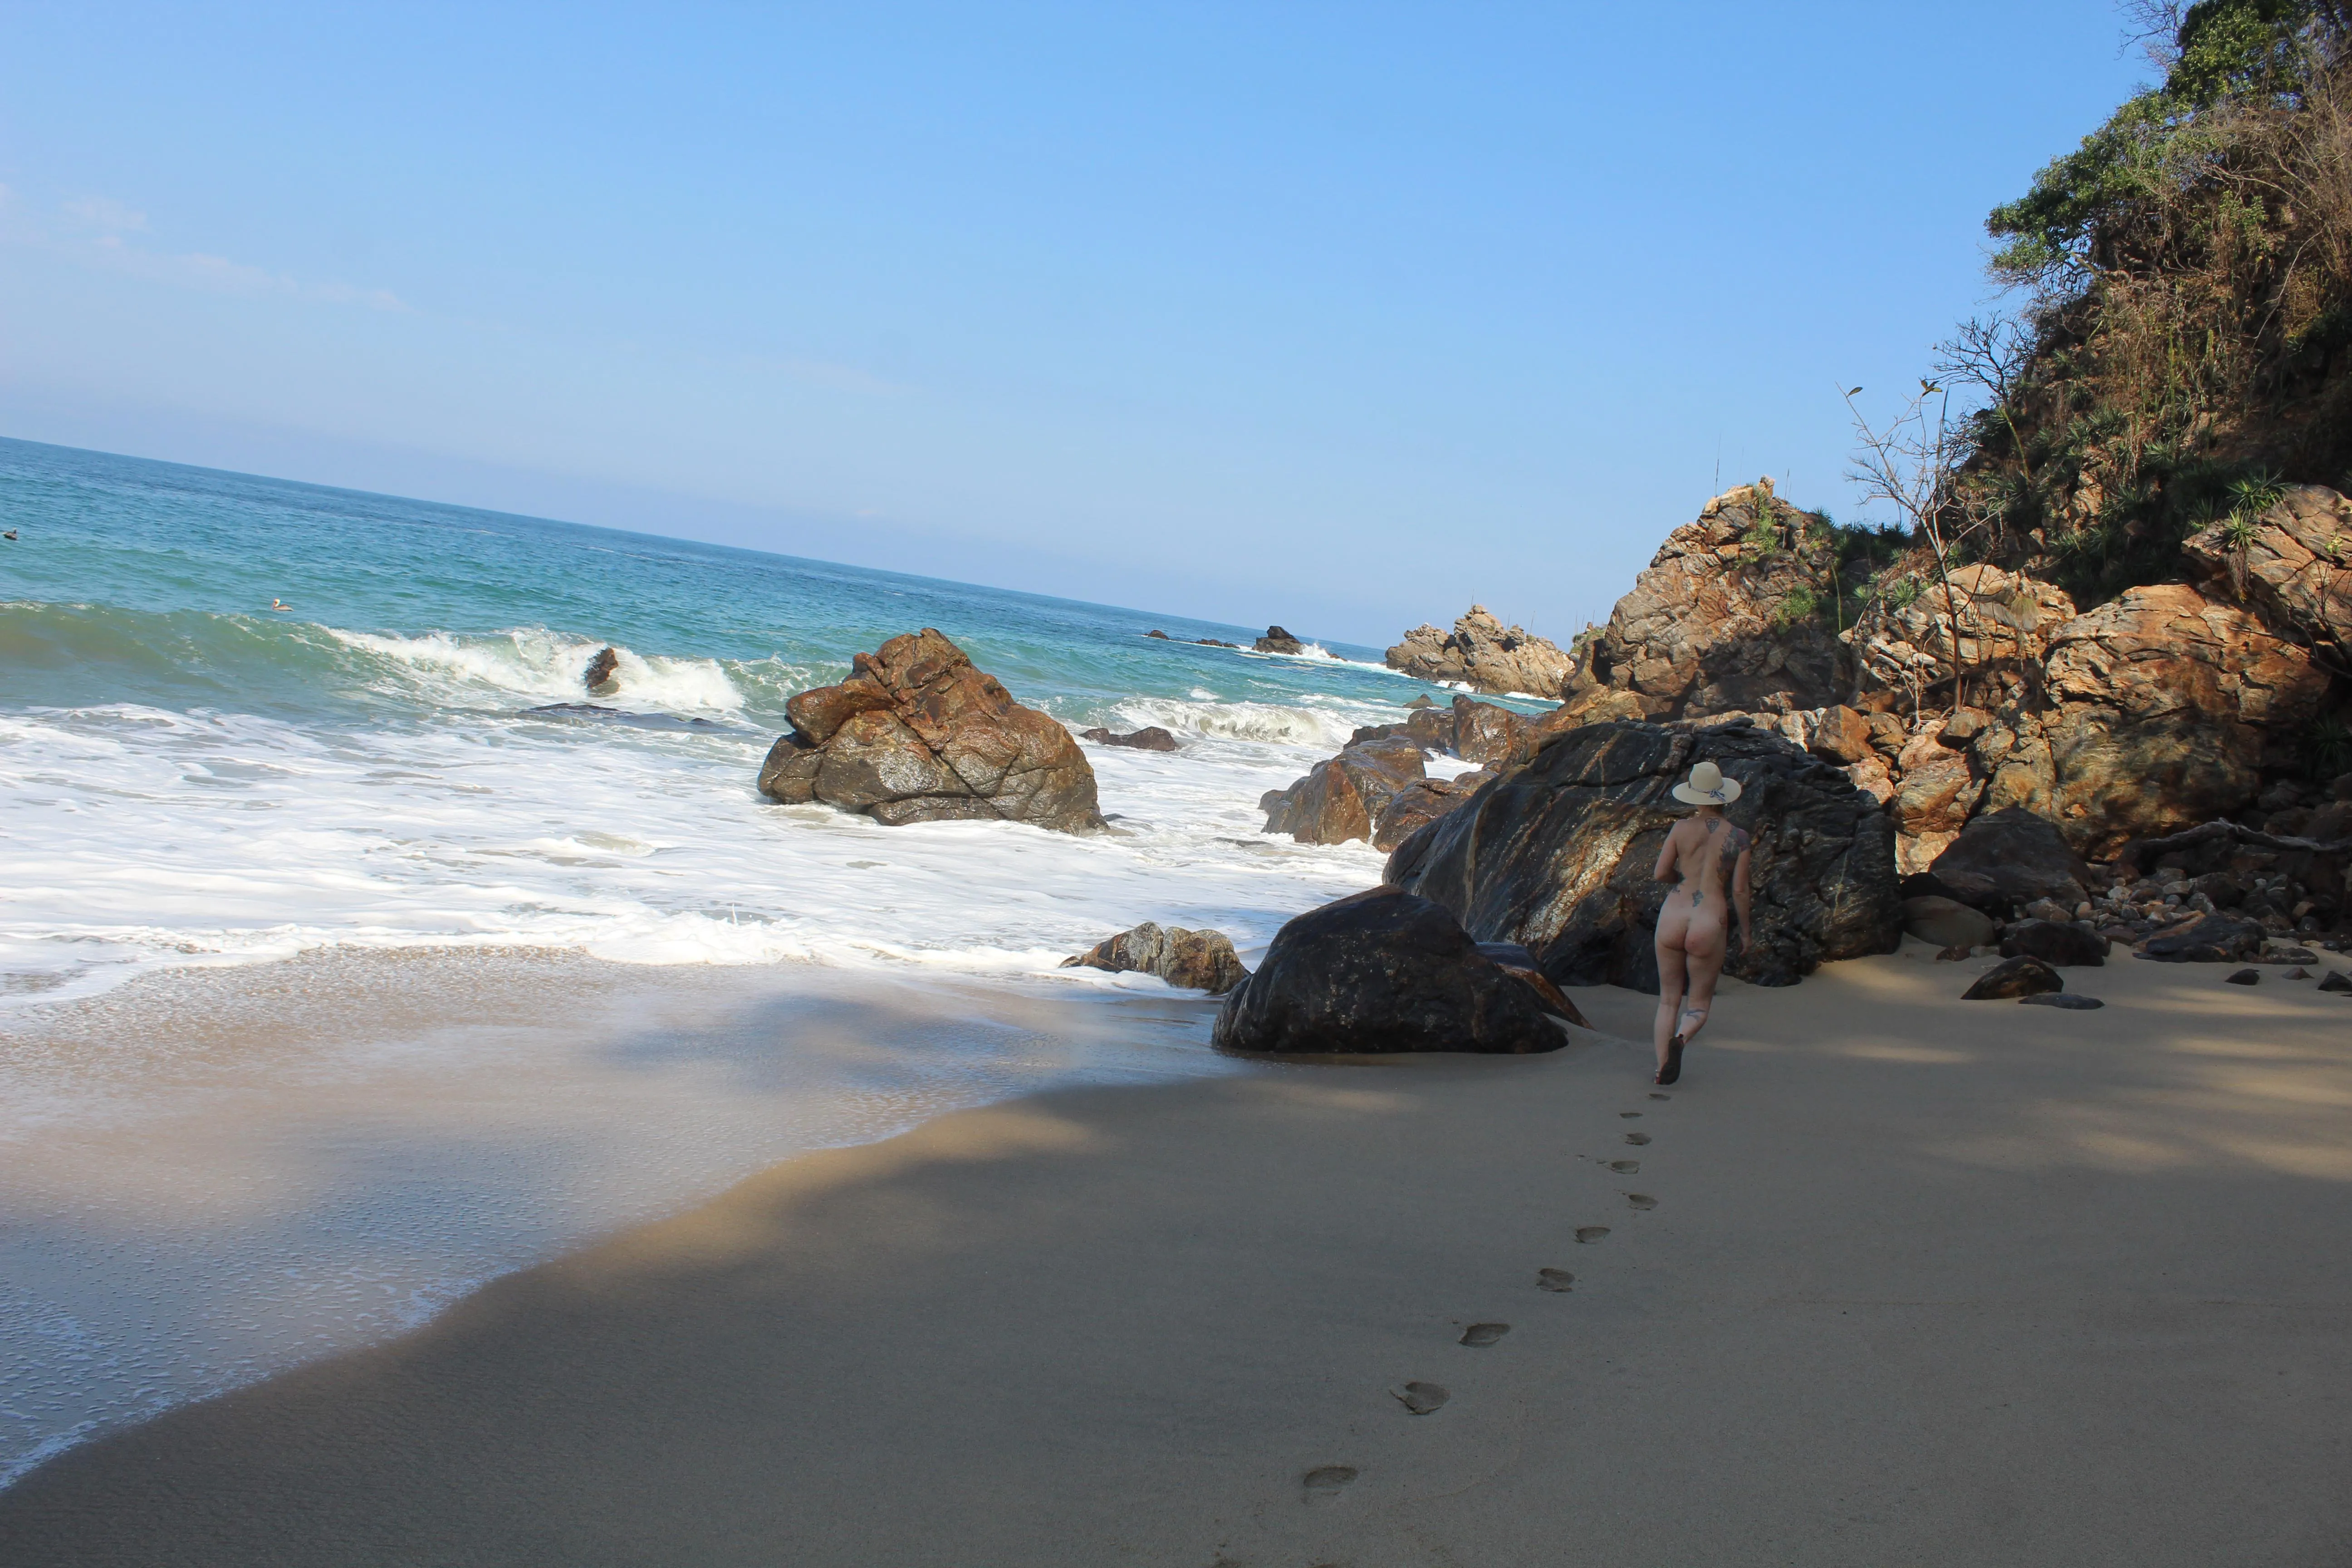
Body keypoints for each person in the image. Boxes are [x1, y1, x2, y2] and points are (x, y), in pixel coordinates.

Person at [1650, 760, 1753, 1086]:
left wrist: (1679, 878)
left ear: (1694, 797)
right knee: (1698, 1005)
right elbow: (1739, 889)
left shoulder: (1680, 829)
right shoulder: (1739, 837)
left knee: (1668, 1000)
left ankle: (1661, 1070)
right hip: (1710, 918)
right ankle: (1681, 1038)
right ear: (1723, 796)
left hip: (1674, 913)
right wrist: (1747, 934)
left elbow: (1660, 873)